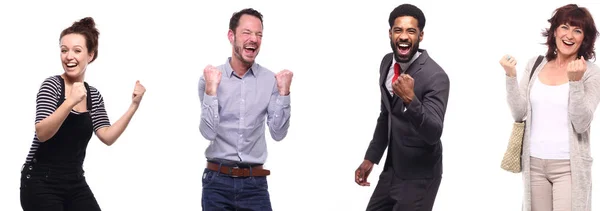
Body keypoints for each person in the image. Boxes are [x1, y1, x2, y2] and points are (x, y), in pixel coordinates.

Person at [19, 17, 146, 211]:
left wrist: (133, 106)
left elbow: (107, 136)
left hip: (75, 181)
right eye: (64, 50)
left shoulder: (93, 95)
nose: (69, 56)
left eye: (77, 51)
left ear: (91, 55)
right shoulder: (51, 85)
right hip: (40, 181)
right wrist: (70, 101)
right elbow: (42, 133)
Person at [500, 4, 599, 211]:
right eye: (564, 27)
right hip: (534, 164)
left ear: (584, 38)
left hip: (569, 168)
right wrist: (510, 76)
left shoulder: (590, 72)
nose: (569, 35)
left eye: (577, 30)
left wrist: (575, 82)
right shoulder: (535, 64)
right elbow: (519, 113)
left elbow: (581, 123)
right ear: (554, 31)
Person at [354, 4, 450, 211]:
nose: (404, 36)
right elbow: (385, 114)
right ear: (390, 33)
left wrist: (410, 99)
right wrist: (371, 158)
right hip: (392, 170)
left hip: (419, 176)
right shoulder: (386, 63)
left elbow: (433, 132)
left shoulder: (436, 77)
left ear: (421, 36)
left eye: (411, 31)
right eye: (398, 30)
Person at [197, 8, 293, 211]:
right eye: (247, 33)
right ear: (231, 36)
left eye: (259, 35)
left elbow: (278, 133)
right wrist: (211, 89)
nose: (254, 39)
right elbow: (208, 132)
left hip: (254, 185)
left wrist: (284, 93)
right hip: (216, 183)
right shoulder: (210, 78)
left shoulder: (270, 80)